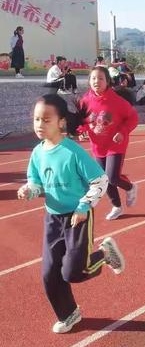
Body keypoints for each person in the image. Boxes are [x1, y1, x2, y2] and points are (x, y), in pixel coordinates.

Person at [17, 94, 125, 333]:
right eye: (36, 119)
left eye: (46, 120)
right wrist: (29, 190)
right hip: (53, 219)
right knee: (49, 274)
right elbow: (36, 181)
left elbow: (100, 180)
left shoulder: (72, 151)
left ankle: (105, 254)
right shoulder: (37, 152)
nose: (39, 125)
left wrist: (84, 206)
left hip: (78, 216)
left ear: (61, 122)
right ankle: (69, 314)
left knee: (73, 272)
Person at [78, 67, 138, 220]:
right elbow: (81, 122)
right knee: (104, 179)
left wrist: (122, 132)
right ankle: (117, 206)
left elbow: (133, 118)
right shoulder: (84, 101)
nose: (96, 82)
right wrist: (82, 130)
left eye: (100, 79)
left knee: (112, 177)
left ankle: (130, 187)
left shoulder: (117, 101)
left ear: (107, 81)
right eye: (93, 79)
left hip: (115, 144)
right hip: (98, 145)